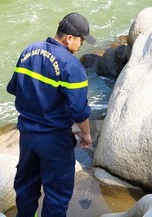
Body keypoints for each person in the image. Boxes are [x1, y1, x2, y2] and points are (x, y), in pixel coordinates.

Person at [7, 13, 96, 217]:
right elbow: (79, 110)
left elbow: (13, 88)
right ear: (69, 38)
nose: (81, 44)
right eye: (81, 39)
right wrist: (86, 134)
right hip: (55, 139)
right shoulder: (72, 66)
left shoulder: (29, 51)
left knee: (26, 186)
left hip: (27, 135)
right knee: (57, 193)